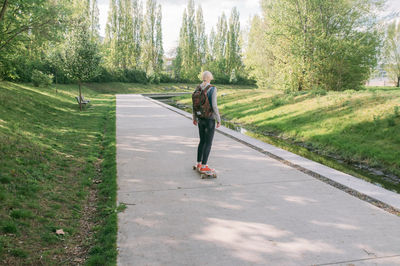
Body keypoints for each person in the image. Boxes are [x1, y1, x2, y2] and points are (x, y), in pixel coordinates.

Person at [193, 71, 221, 173]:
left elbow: (194, 105)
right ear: (210, 78)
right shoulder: (212, 89)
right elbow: (214, 106)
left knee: (202, 141)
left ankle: (198, 163)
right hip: (209, 119)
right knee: (208, 143)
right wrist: (218, 119)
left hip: (200, 118)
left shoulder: (197, 88)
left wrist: (194, 118)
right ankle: (204, 165)